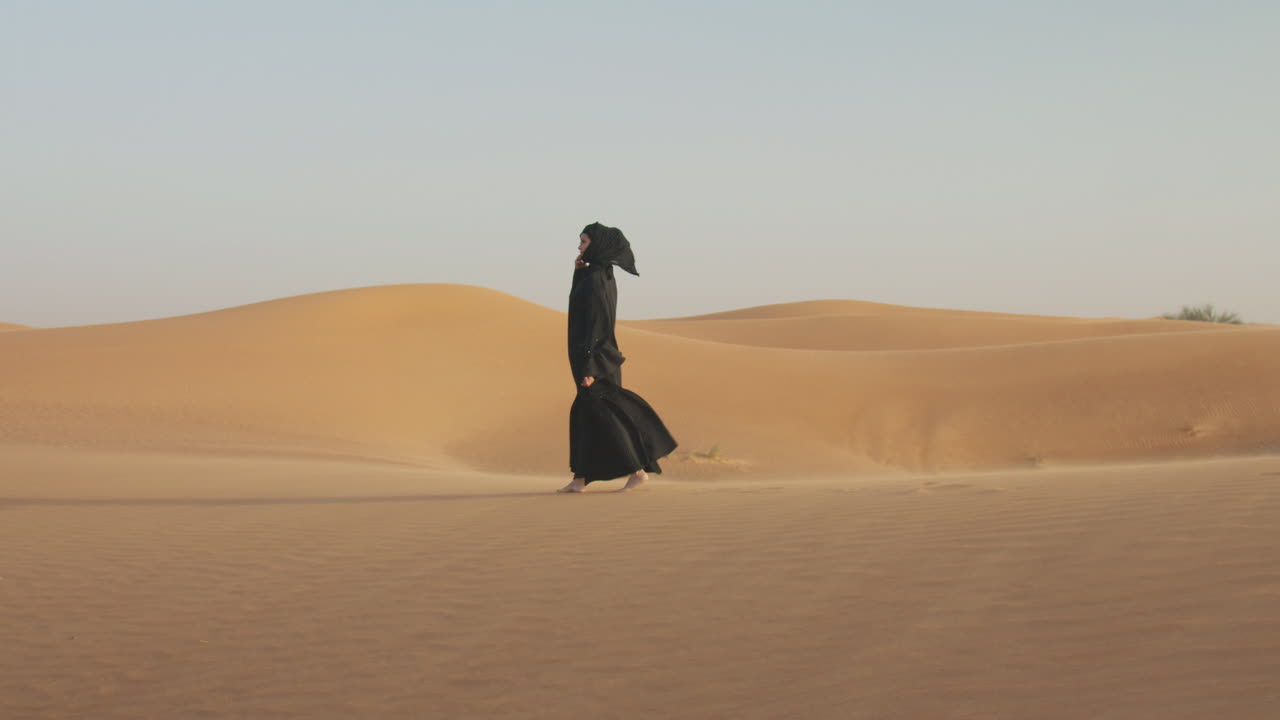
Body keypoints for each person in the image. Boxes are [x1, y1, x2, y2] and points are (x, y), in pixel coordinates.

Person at [557, 222, 678, 493]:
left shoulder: (599, 279)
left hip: (596, 360)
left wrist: (591, 367)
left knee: (605, 415)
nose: (579, 246)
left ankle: (636, 471)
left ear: (597, 245)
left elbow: (598, 324)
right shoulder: (595, 275)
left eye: (584, 242)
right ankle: (580, 479)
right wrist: (578, 274)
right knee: (586, 416)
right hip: (589, 358)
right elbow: (580, 309)